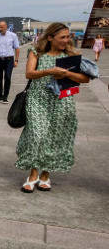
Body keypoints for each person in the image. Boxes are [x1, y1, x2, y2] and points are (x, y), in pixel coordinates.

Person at [16, 22, 91, 192]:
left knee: (55, 136)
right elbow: (29, 73)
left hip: (63, 99)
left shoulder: (71, 54)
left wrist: (67, 73)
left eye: (68, 36)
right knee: (37, 134)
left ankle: (45, 175)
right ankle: (33, 173)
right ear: (50, 37)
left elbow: (85, 78)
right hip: (38, 99)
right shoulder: (37, 52)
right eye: (62, 37)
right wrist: (50, 70)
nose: (66, 40)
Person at [0, 20, 20, 103]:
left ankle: (5, 96)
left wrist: (16, 60)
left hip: (9, 60)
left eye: (2, 27)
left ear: (6, 27)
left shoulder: (13, 36)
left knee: (7, 77)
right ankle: (0, 96)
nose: (0, 28)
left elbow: (17, 48)